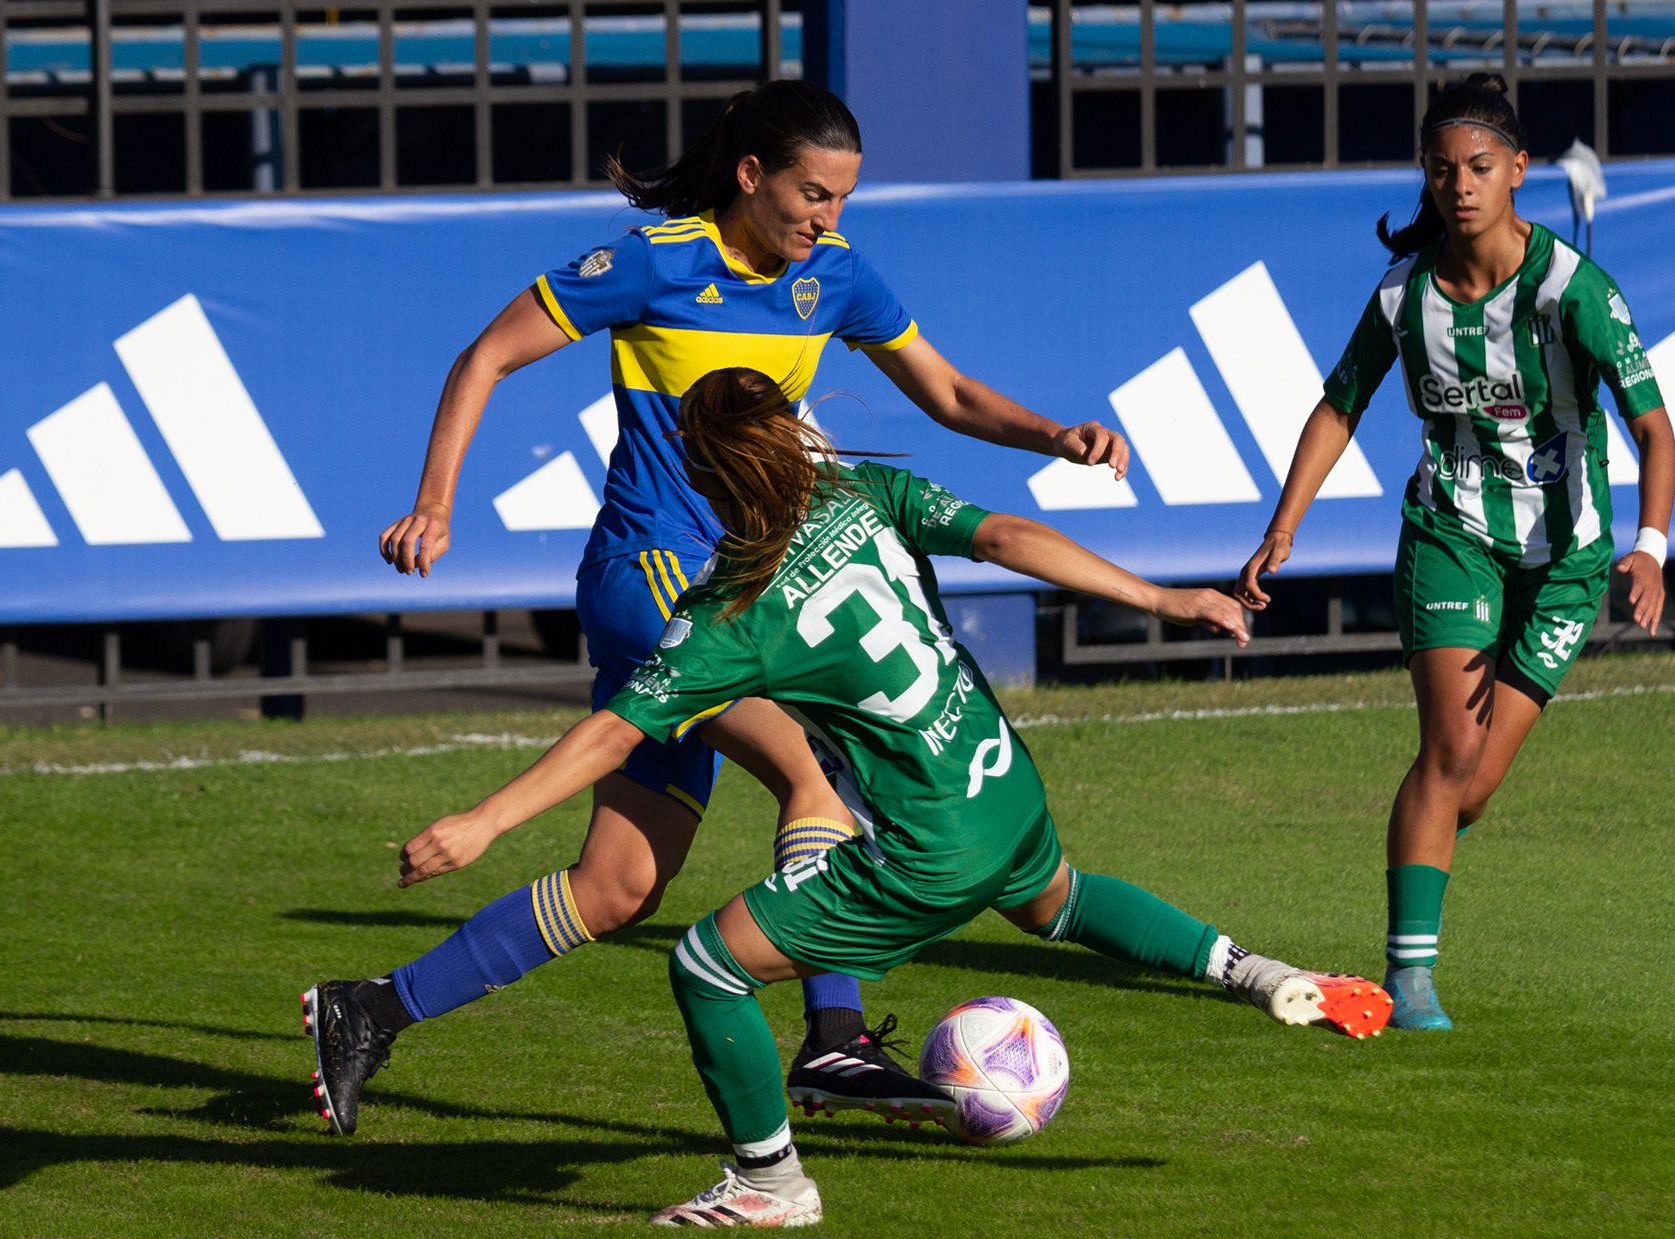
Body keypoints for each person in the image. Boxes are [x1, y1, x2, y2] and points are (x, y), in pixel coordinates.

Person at [375, 367, 1391, 1227]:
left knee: (706, 964)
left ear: (701, 475)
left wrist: (487, 818)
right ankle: (1255, 970)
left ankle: (769, 1181)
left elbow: (614, 730)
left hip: (924, 848)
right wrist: (1166, 596)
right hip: (1001, 784)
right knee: (1059, 899)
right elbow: (1003, 536)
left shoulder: (730, 608)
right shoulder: (861, 495)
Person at [317, 80, 1132, 1133]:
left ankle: (371, 1007)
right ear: (751, 175)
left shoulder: (831, 277)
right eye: (810, 193)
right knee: (818, 769)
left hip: (740, 585)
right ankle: (831, 1037)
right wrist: (435, 501)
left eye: (842, 198)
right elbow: (486, 355)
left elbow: (952, 394)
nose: (827, 217)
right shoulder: (654, 261)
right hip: (654, 576)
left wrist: (1054, 435)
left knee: (617, 888)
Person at [1235, 74, 1675, 1032]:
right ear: (1428, 180)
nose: (1461, 186)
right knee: (1448, 751)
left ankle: (1418, 908)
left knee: (1469, 793)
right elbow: (1338, 404)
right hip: (1453, 537)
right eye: (1444, 171)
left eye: (1480, 168)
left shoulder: (1575, 292)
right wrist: (1283, 525)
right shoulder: (1403, 295)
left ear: (1518, 170)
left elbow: (1655, 431)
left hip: (1567, 564)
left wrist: (1650, 547)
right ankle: (1412, 983)